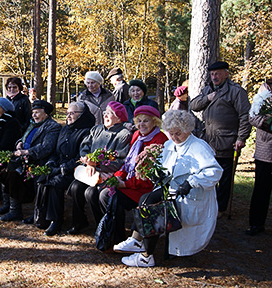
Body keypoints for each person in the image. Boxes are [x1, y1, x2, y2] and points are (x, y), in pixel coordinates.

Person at [117, 110, 223, 267]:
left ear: (188, 129)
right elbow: (165, 167)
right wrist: (156, 173)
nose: (174, 137)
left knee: (154, 208)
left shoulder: (198, 147)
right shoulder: (169, 144)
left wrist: (191, 182)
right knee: (146, 200)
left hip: (190, 194)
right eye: (171, 133)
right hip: (173, 189)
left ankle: (146, 255)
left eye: (178, 133)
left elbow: (214, 172)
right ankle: (136, 240)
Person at [96, 105, 168, 245]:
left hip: (146, 188)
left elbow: (148, 176)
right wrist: (117, 176)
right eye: (139, 121)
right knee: (104, 193)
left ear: (155, 122)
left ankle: (118, 239)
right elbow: (128, 162)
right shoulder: (137, 135)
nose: (141, 124)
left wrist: (125, 184)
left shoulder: (159, 140)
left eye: (146, 121)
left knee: (111, 195)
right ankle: (113, 235)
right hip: (132, 182)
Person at [191, 61, 251, 216]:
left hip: (226, 141)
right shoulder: (207, 90)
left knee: (224, 178)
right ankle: (208, 205)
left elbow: (245, 116)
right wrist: (208, 99)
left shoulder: (236, 91)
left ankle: (221, 208)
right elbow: (193, 105)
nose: (214, 77)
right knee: (207, 174)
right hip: (208, 141)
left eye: (217, 73)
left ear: (226, 74)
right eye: (212, 74)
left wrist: (242, 137)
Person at [67, 101, 132, 235]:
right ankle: (79, 222)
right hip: (89, 170)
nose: (105, 115)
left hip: (108, 174)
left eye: (109, 113)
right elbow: (84, 147)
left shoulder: (123, 134)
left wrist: (97, 164)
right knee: (75, 187)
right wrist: (86, 160)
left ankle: (102, 225)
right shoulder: (96, 129)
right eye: (105, 112)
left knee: (90, 193)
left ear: (118, 117)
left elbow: (121, 161)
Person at [32, 102, 95, 236]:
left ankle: (56, 220)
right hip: (61, 165)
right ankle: (42, 216)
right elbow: (56, 151)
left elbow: (82, 157)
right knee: (43, 177)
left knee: (55, 183)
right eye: (67, 113)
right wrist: (51, 162)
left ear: (82, 115)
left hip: (76, 170)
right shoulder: (65, 129)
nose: (68, 116)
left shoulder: (87, 131)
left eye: (72, 113)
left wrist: (63, 168)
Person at [0, 100, 61, 222]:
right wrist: (19, 143)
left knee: (13, 175)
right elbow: (25, 138)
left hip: (40, 161)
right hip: (24, 159)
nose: (34, 115)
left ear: (46, 113)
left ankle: (18, 211)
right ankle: (10, 207)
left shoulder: (53, 127)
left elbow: (47, 147)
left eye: (37, 112)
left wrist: (26, 152)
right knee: (6, 172)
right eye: (33, 112)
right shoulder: (33, 124)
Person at [246, 79, 272, 236]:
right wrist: (267, 122)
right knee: (262, 190)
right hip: (267, 152)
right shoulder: (266, 90)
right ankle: (256, 223)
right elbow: (252, 116)